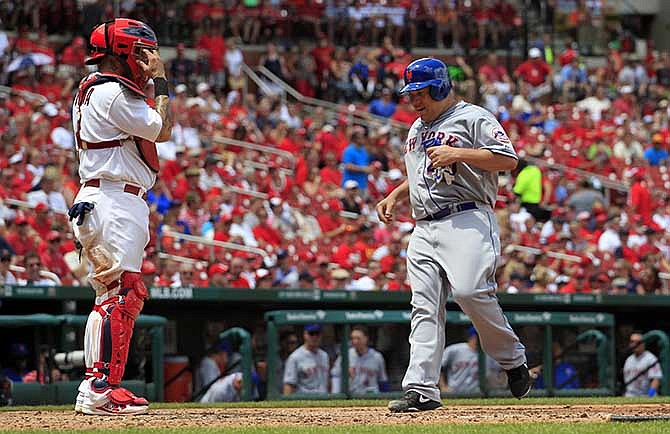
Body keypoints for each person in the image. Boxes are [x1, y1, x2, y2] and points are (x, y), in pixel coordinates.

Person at [376, 58, 533, 413]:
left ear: (442, 86)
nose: (415, 100)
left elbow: (507, 159)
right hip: (424, 225)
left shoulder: (473, 117)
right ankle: (422, 389)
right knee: (424, 306)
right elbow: (419, 174)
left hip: (466, 217)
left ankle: (512, 360)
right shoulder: (416, 130)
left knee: (469, 291)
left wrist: (458, 152)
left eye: (421, 91)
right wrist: (394, 195)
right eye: (411, 93)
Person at [68, 18, 172, 416]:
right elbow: (161, 128)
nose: (147, 60)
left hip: (102, 197)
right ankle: (101, 388)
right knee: (122, 296)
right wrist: (159, 82)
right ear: (125, 52)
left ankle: (95, 386)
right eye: (142, 53)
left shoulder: (98, 90)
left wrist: (146, 85)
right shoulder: (110, 90)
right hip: (113, 199)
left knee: (110, 297)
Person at [439, 326, 507, 394]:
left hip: (478, 394)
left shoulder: (490, 353)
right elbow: (439, 368)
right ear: (473, 337)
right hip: (455, 392)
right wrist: (443, 387)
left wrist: (501, 386)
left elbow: (502, 370)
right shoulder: (454, 350)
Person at [331, 326, 389, 394]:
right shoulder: (345, 355)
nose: (355, 341)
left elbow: (383, 380)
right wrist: (335, 394)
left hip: (372, 396)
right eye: (353, 338)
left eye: (358, 338)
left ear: (366, 338)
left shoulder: (377, 357)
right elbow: (335, 375)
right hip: (352, 396)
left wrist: (385, 397)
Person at [283, 324, 329, 395]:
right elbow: (289, 385)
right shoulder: (295, 357)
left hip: (323, 400)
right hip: (305, 401)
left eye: (317, 334)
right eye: (311, 333)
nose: (314, 337)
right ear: (305, 335)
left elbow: (327, 382)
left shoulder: (324, 355)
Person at [623, 332, 662, 397]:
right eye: (632, 342)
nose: (634, 344)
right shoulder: (628, 359)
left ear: (643, 343)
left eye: (637, 342)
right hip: (630, 395)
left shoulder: (650, 358)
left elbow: (656, 379)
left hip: (645, 395)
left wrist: (650, 394)